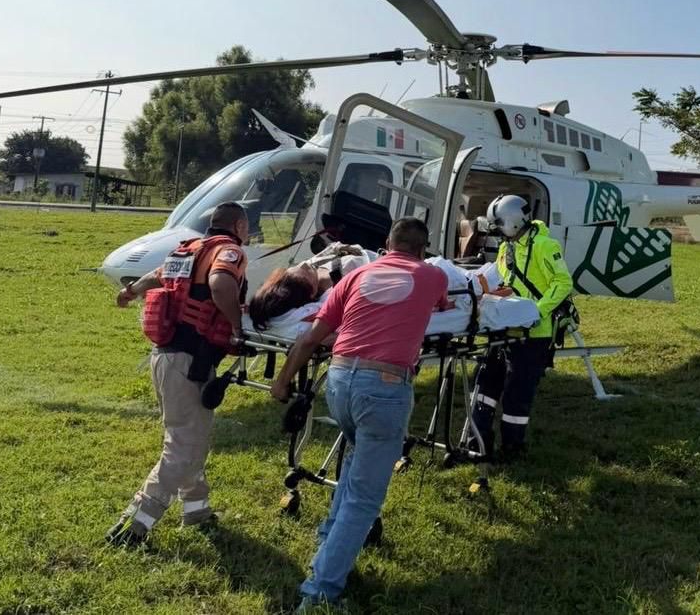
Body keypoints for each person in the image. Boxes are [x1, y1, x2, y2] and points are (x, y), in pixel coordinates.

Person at [269, 218, 451, 611]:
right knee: (365, 498)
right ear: (423, 249)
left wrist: (282, 381)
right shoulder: (432, 275)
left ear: (387, 243)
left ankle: (329, 540)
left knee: (355, 458)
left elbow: (310, 338)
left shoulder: (355, 277)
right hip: (384, 388)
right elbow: (443, 306)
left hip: (339, 382)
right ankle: (319, 592)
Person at [105, 202, 249, 546]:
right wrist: (237, 327)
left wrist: (129, 292)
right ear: (239, 226)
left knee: (192, 435)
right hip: (190, 362)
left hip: (165, 358)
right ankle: (134, 523)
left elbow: (156, 276)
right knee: (183, 445)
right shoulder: (229, 252)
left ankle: (197, 510)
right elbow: (221, 285)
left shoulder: (188, 249)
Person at [470, 194, 573, 461]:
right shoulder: (507, 248)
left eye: (498, 225)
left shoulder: (545, 246)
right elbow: (505, 280)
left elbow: (563, 283)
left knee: (518, 393)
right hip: (504, 328)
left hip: (534, 333)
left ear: (513, 221)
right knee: (485, 383)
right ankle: (478, 441)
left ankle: (512, 447)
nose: (497, 232)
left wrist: (536, 311)